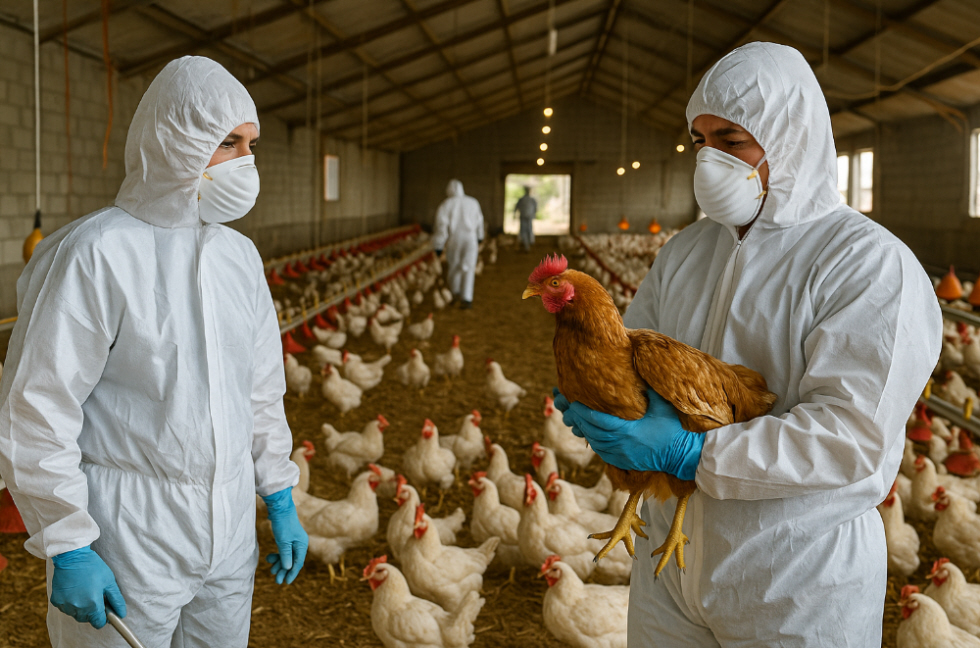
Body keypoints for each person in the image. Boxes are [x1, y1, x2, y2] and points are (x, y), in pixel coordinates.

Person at [555, 42, 941, 647]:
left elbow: (849, 436)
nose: (709, 158)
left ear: (791, 139)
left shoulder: (867, 265)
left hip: (794, 575)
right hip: (670, 558)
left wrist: (694, 453)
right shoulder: (686, 252)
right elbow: (625, 357)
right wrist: (602, 400)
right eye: (700, 141)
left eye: (731, 140)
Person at [0, 57, 307, 647]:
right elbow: (37, 405)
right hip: (128, 531)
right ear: (177, 142)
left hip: (229, 528)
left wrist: (278, 490)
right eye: (229, 143)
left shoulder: (239, 257)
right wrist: (67, 541)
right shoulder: (97, 253)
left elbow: (260, 390)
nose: (246, 161)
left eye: (251, 145)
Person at [433, 179, 484, 309]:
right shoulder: (473, 202)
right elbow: (480, 220)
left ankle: (455, 293)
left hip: (454, 239)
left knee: (454, 266)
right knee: (469, 267)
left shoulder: (446, 204)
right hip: (471, 238)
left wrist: (438, 246)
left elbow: (441, 227)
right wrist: (480, 237)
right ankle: (467, 298)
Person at [514, 186, 537, 252]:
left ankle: (527, 244)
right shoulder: (531, 200)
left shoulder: (523, 199)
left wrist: (514, 214)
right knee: (527, 230)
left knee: (525, 231)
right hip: (527, 217)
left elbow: (516, 207)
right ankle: (527, 244)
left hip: (525, 217)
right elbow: (535, 209)